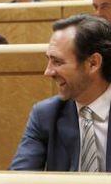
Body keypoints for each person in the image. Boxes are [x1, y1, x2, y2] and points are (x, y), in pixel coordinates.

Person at [10, 14, 111, 172]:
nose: (48, 72)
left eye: (57, 62)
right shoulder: (46, 115)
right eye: (48, 60)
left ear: (93, 63)